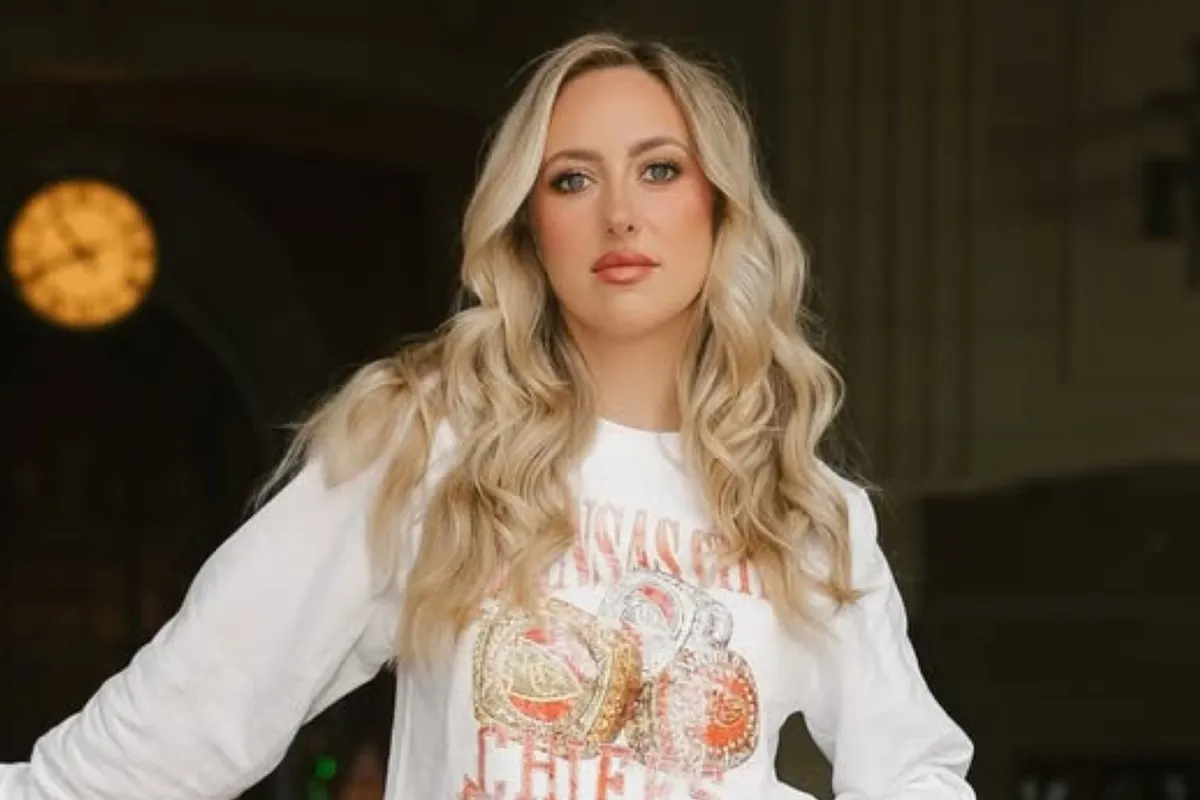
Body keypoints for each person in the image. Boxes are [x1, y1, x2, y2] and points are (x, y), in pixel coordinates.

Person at [0, 31, 976, 800]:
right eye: (572, 178)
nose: (620, 214)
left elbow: (916, 772)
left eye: (660, 169)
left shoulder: (804, 510)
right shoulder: (427, 449)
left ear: (719, 208)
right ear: (529, 228)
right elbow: (194, 712)